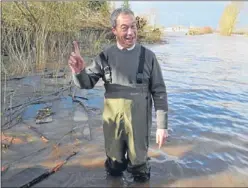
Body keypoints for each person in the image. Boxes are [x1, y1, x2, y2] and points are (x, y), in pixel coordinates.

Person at [68, 7, 168, 182]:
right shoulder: (104, 57)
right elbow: (86, 83)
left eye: (133, 27)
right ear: (114, 30)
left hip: (139, 122)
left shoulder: (149, 57)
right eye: (124, 28)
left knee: (139, 167)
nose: (131, 33)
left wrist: (162, 126)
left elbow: (159, 91)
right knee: (114, 166)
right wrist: (79, 72)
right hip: (113, 123)